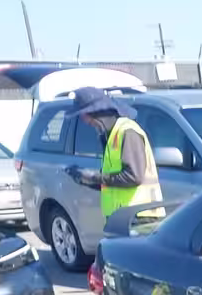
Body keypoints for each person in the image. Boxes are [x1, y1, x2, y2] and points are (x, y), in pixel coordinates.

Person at [63, 87, 164, 219]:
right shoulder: (111, 135)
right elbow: (112, 183)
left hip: (140, 218)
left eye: (84, 116)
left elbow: (134, 177)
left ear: (95, 112)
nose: (85, 122)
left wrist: (94, 177)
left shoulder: (127, 132)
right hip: (122, 216)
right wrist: (84, 178)